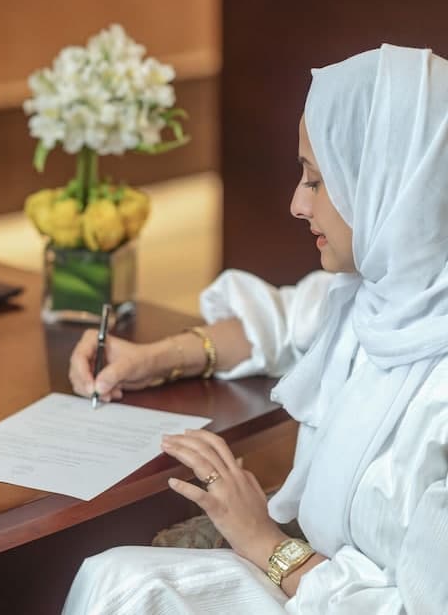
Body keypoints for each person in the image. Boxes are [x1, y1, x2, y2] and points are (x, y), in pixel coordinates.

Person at [64, 44, 448, 613]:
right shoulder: (385, 294)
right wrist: (158, 357)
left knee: (126, 589)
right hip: (316, 584)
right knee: (114, 577)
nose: (297, 204)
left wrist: (265, 542)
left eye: (317, 180)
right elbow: (286, 323)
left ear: (390, 184)